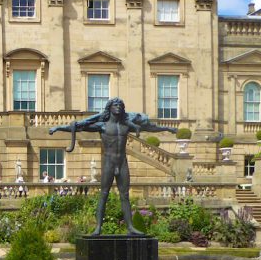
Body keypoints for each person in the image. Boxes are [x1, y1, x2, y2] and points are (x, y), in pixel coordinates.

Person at [50, 98, 175, 235]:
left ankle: (130, 228)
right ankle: (98, 227)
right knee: (103, 195)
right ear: (109, 108)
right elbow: (78, 126)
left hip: (122, 163)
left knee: (125, 196)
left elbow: (151, 127)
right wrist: (58, 128)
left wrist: (167, 128)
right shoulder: (102, 125)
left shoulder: (126, 126)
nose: (118, 107)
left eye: (120, 105)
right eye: (115, 105)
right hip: (109, 163)